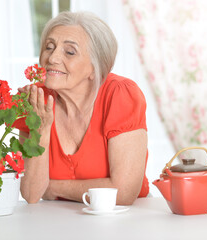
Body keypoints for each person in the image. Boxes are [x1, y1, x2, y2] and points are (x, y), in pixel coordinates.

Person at [15, 11, 148, 205]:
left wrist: (53, 188)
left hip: (121, 217)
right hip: (57, 219)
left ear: (96, 68)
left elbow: (123, 193)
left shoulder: (120, 95)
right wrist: (41, 131)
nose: (52, 58)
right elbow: (32, 194)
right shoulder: (36, 101)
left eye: (69, 52)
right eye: (49, 47)